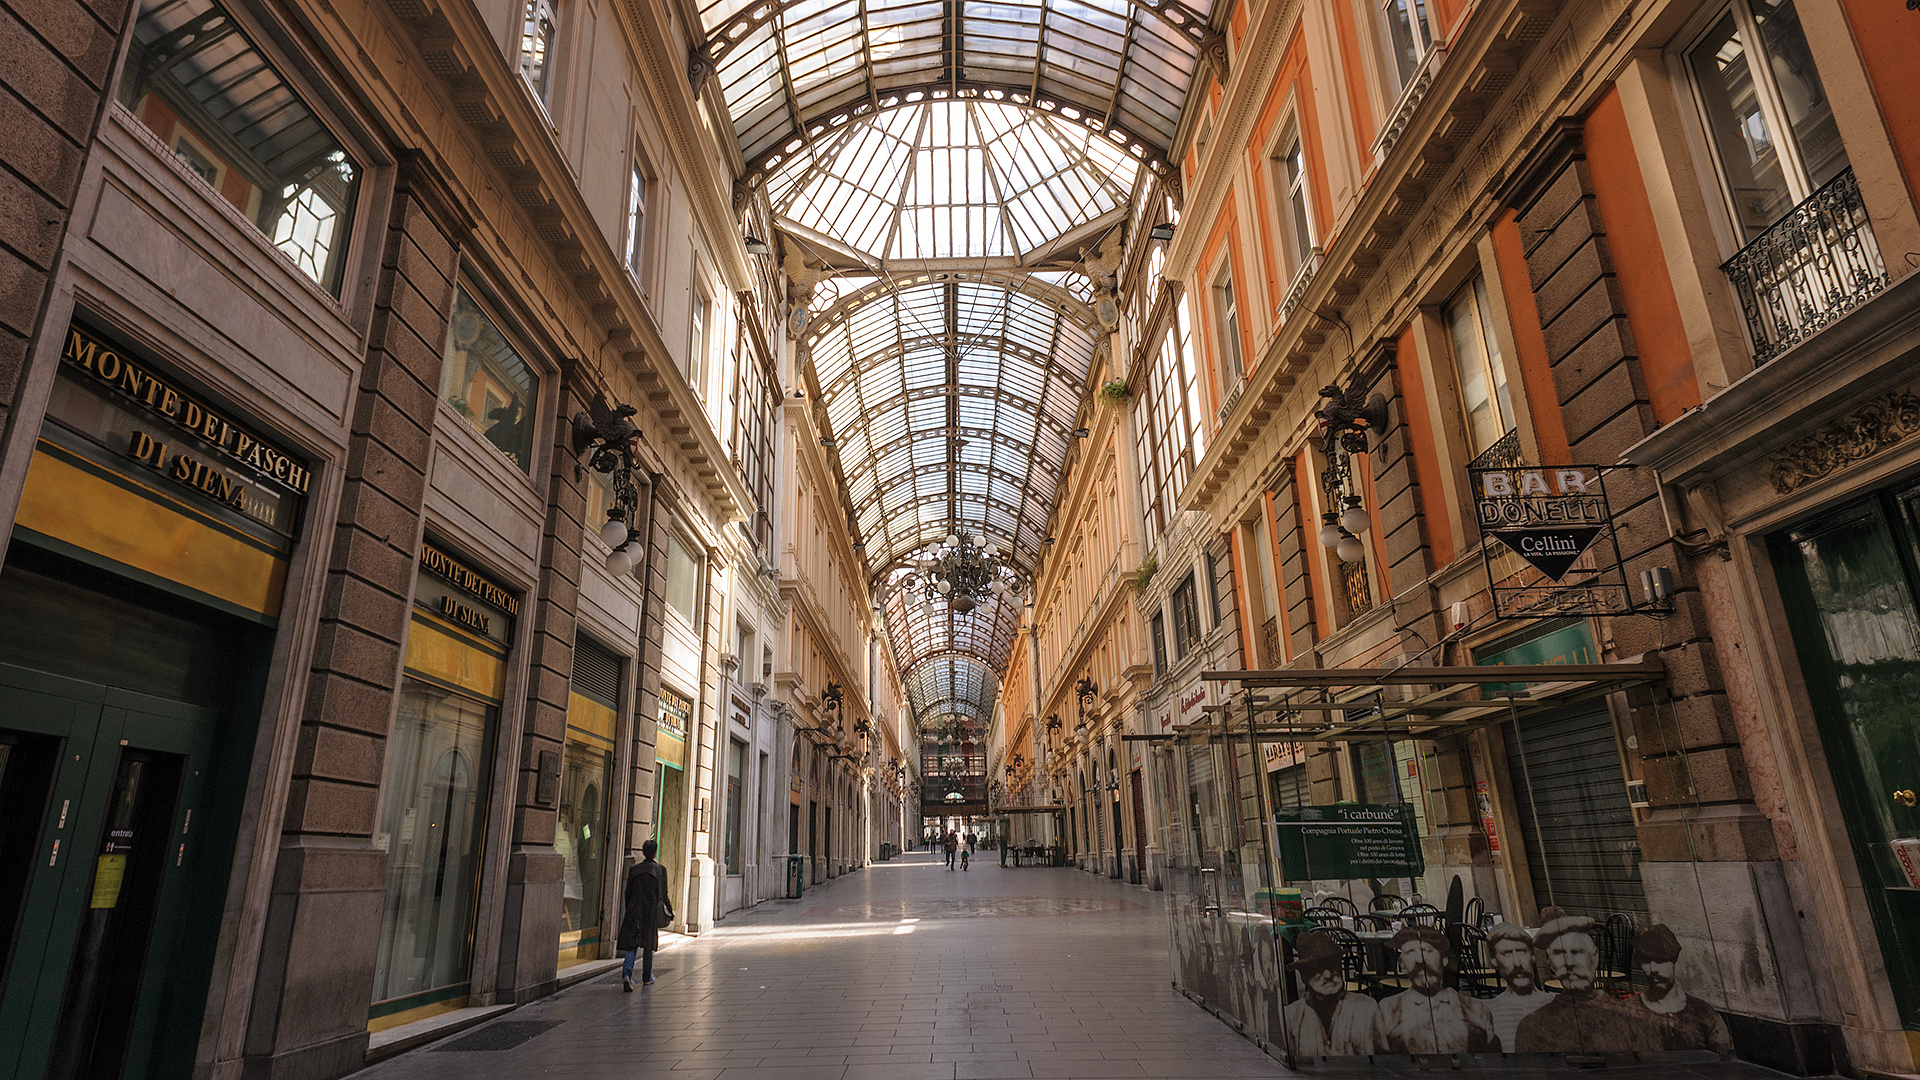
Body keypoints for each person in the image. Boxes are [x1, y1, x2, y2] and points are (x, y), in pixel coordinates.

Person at [1513, 916, 1664, 1053]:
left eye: (1577, 952)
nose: (1569, 963)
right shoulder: (1532, 1025)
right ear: (1550, 963)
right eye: (1559, 953)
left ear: (1595, 956)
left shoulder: (1630, 1019)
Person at [1370, 924, 1499, 1053]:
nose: (1420, 960)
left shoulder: (1475, 1009)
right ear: (1402, 965)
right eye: (1410, 952)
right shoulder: (1387, 1012)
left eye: (1428, 950)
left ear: (1444, 960)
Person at [1634, 924, 1733, 1051]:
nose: (1653, 970)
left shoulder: (1703, 1013)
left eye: (1660, 961)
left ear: (1674, 960)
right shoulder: (1629, 1009)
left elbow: (1724, 1055)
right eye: (1646, 961)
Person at [1282, 930, 1378, 1056]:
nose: (1327, 975)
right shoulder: (1291, 1016)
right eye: (1317, 968)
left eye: (1332, 965)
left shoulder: (1366, 1008)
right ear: (1304, 975)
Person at [617, 839, 671, 991]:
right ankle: (647, 977)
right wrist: (669, 910)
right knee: (648, 944)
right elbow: (663, 894)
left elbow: (627, 892)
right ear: (655, 852)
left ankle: (626, 975)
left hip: (634, 909)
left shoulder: (634, 870)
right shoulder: (660, 870)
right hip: (650, 910)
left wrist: (629, 909)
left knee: (631, 944)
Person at [1486, 922, 1549, 1051]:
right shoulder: (1486, 1013)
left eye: (1521, 952)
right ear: (1494, 960)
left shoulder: (1554, 1004)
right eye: (1507, 953)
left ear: (1532, 955)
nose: (1517, 963)